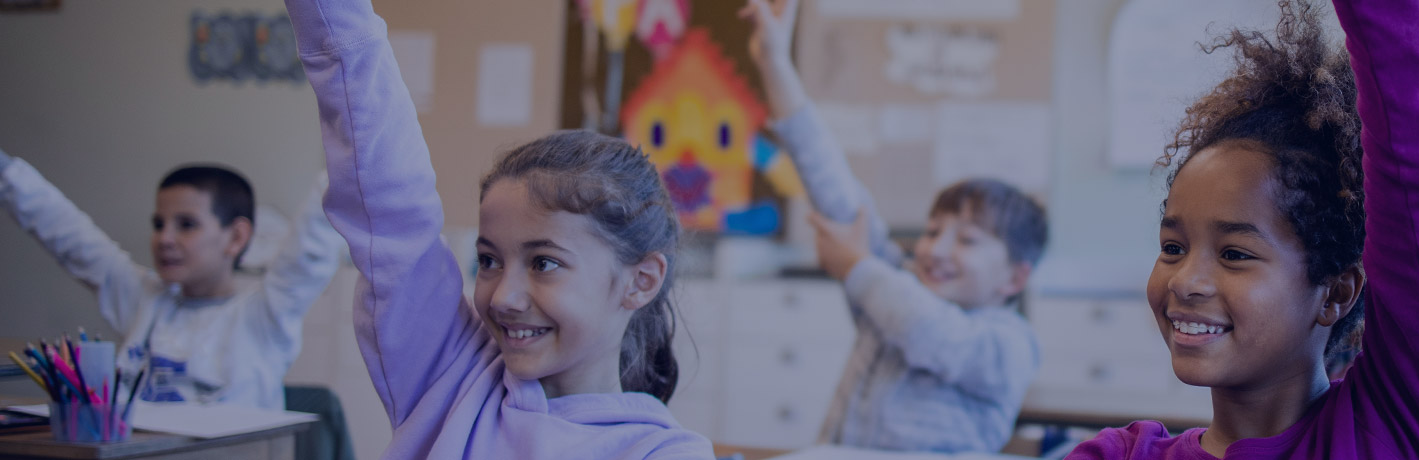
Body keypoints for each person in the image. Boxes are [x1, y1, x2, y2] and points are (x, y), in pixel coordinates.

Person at [282, 0, 712, 456]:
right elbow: (391, 203)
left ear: (640, 281)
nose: (503, 297)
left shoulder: (661, 452)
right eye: (488, 261)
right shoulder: (450, 379)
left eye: (544, 263)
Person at [1067, 0, 1419, 457]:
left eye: (1234, 253)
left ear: (1336, 293)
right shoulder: (1119, 454)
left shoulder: (1393, 429)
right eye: (1173, 246)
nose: (1185, 280)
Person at [740, 0, 1049, 453]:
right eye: (931, 231)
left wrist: (859, 269)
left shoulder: (1010, 344)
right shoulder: (888, 287)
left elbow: (935, 336)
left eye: (966, 239)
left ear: (1015, 277)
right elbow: (833, 187)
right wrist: (775, 63)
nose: (935, 249)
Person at [0, 149, 340, 410]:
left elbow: (311, 244)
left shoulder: (264, 315)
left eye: (186, 225)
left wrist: (350, 154)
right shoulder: (144, 299)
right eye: (158, 224)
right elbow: (68, 235)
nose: (164, 239)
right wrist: (7, 173)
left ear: (236, 237)